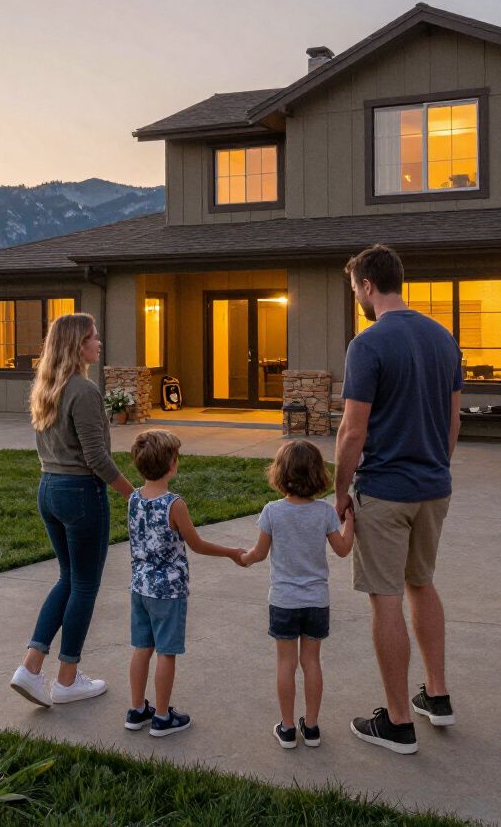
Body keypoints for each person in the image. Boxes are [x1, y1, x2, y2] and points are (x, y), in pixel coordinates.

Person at [334, 244, 462, 755]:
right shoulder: (443, 338)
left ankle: (398, 722)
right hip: (434, 487)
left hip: (384, 492)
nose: (357, 298)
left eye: (355, 290)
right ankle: (438, 695)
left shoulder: (368, 343)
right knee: (422, 585)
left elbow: (351, 430)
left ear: (367, 285)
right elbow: (453, 423)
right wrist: (436, 467)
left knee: (385, 598)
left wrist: (340, 492)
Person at [10, 313, 135, 708]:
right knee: (83, 585)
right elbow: (97, 458)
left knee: (68, 579)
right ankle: (66, 679)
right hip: (80, 493)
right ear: (77, 345)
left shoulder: (47, 388)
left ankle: (30, 668)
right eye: (93, 337)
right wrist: (134, 496)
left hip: (48, 488)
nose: (99, 343)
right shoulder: (83, 390)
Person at [125, 429, 244, 737]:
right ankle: (163, 717)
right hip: (168, 591)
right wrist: (231, 552)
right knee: (166, 651)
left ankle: (137, 710)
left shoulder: (134, 498)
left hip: (139, 586)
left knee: (142, 647)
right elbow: (197, 544)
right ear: (172, 464)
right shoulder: (174, 504)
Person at [240, 439, 353, 749]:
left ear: (280, 474)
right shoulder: (325, 513)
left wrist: (245, 557)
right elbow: (343, 550)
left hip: (284, 601)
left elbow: (259, 553)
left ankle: (288, 728)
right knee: (312, 663)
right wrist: (351, 523)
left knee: (286, 664)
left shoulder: (272, 512)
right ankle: (312, 727)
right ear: (318, 475)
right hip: (317, 601)